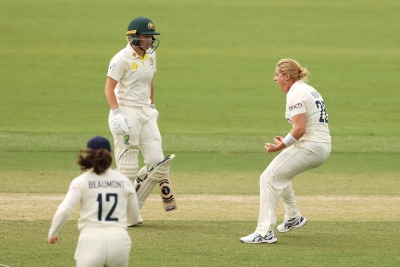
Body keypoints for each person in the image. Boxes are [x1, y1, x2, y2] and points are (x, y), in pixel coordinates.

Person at [240, 59, 331, 244]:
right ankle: (293, 216)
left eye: (276, 75)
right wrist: (287, 142)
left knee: (268, 178)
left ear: (287, 76)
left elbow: (300, 129)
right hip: (317, 145)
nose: (274, 79)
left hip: (311, 147)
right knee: (281, 175)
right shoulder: (306, 89)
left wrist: (279, 147)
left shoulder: (296, 93)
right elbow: (304, 128)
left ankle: (264, 232)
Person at [105, 16, 174, 224]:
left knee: (158, 164)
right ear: (133, 38)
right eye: (146, 37)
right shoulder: (120, 59)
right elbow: (109, 88)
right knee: (127, 169)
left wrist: (152, 104)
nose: (150, 41)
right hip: (125, 112)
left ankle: (131, 211)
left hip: (145, 112)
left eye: (151, 37)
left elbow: (150, 81)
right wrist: (116, 112)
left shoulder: (151, 55)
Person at [47, 136, 140, 266]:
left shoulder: (81, 181)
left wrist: (52, 233)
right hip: (119, 241)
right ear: (110, 155)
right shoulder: (124, 181)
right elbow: (134, 217)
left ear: (88, 155)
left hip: (91, 240)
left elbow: (65, 209)